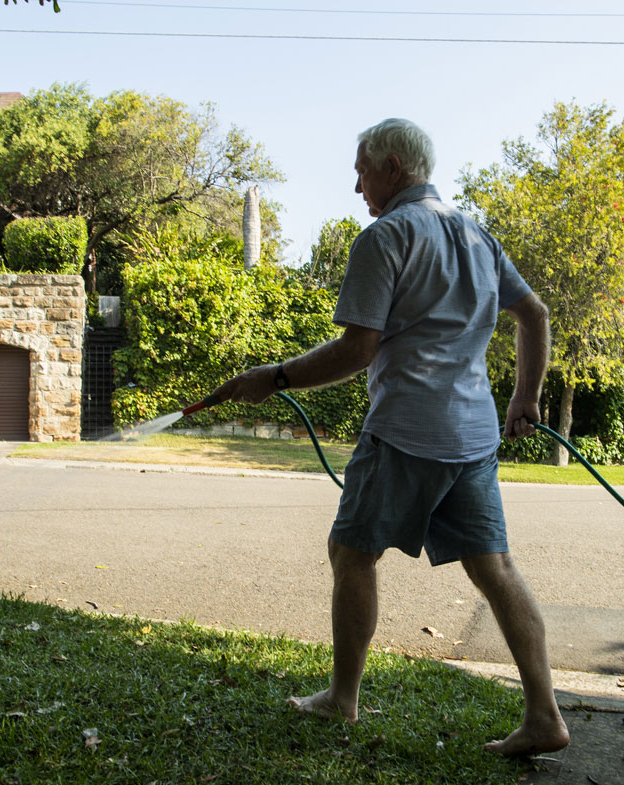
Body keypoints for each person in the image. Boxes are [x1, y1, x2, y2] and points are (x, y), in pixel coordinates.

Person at [211, 118, 569, 757]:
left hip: (405, 430)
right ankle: (544, 715)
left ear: (394, 168)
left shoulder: (387, 235)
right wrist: (523, 397)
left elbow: (358, 348)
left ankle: (341, 699)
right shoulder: (477, 234)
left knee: (352, 554)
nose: (356, 185)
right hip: (473, 435)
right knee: (496, 569)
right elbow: (534, 314)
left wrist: (275, 375)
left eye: (362, 170)